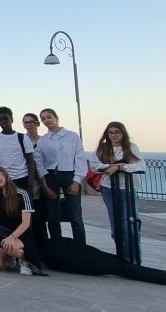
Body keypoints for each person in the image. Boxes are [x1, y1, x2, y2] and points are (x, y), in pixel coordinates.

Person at [91, 122, 146, 262]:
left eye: (117, 132)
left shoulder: (131, 147)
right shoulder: (103, 148)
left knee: (130, 223)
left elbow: (140, 165)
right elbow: (95, 165)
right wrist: (113, 166)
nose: (114, 135)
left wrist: (121, 167)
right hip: (109, 188)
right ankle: (122, 257)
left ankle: (134, 259)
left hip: (127, 189)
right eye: (111, 132)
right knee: (116, 224)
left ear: (123, 133)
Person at [34, 108, 87, 244]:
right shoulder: (43, 140)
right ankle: (58, 246)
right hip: (51, 176)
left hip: (69, 176)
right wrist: (45, 186)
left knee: (75, 216)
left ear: (56, 117)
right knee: (53, 216)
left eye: (48, 117)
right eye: (43, 118)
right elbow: (39, 164)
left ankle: (81, 248)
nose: (46, 120)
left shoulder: (72, 136)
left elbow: (80, 159)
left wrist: (76, 181)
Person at [0, 166, 43, 275]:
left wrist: (12, 237)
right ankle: (9, 256)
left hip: (21, 235)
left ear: (5, 174)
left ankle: (24, 259)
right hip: (3, 234)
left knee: (11, 246)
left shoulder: (21, 194)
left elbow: (26, 223)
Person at [0, 107, 37, 194]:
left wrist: (30, 185)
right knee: (6, 206)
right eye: (0, 119)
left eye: (5, 118)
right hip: (3, 180)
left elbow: (30, 162)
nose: (3, 121)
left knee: (24, 206)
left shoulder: (22, 138)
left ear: (11, 119)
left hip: (22, 178)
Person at [21, 112, 47, 247]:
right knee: (30, 215)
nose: (29, 124)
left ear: (37, 123)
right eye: (26, 122)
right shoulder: (21, 140)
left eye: (31, 122)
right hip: (31, 183)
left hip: (45, 181)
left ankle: (44, 246)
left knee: (41, 218)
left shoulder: (44, 140)